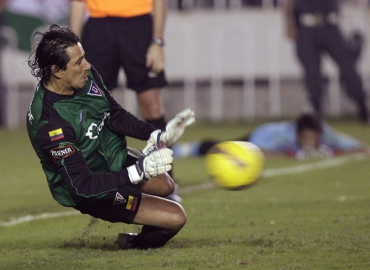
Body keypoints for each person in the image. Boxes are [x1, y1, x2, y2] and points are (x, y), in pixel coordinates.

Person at [26, 25, 195, 250]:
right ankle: (133, 242)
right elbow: (82, 184)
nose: (86, 65)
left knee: (165, 185)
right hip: (91, 189)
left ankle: (140, 209)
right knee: (176, 217)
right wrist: (136, 173)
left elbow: (114, 114)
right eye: (78, 62)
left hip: (110, 157)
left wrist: (156, 134)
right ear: (57, 70)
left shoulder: (85, 77)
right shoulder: (50, 123)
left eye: (83, 57)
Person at [69, 0, 183, 201]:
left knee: (152, 104)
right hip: (98, 27)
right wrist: (72, 49)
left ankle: (167, 182)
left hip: (138, 26)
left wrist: (157, 42)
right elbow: (78, 3)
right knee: (92, 106)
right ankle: (96, 182)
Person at [284, 0, 369, 123]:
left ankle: (362, 104)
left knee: (348, 66)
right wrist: (288, 23)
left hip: (330, 25)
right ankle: (316, 109)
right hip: (306, 27)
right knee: (312, 72)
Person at [172, 114, 370, 160]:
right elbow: (257, 151)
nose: (310, 142)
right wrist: (294, 155)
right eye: (306, 138)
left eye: (314, 138)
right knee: (222, 148)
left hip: (265, 137)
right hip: (258, 135)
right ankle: (178, 150)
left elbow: (357, 146)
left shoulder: (327, 133)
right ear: (297, 134)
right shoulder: (282, 137)